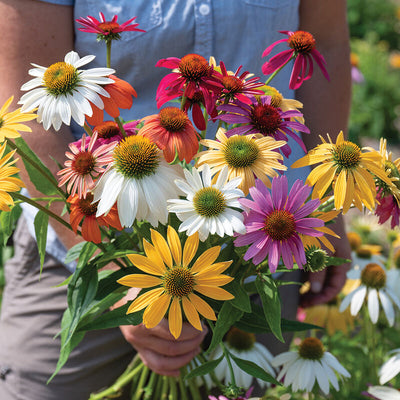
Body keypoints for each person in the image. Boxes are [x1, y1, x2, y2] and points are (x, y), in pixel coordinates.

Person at [0, 0, 352, 399]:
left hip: (256, 241)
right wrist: (111, 272)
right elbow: (25, 102)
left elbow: (329, 44)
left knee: (250, 385)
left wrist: (326, 202)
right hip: (91, 235)